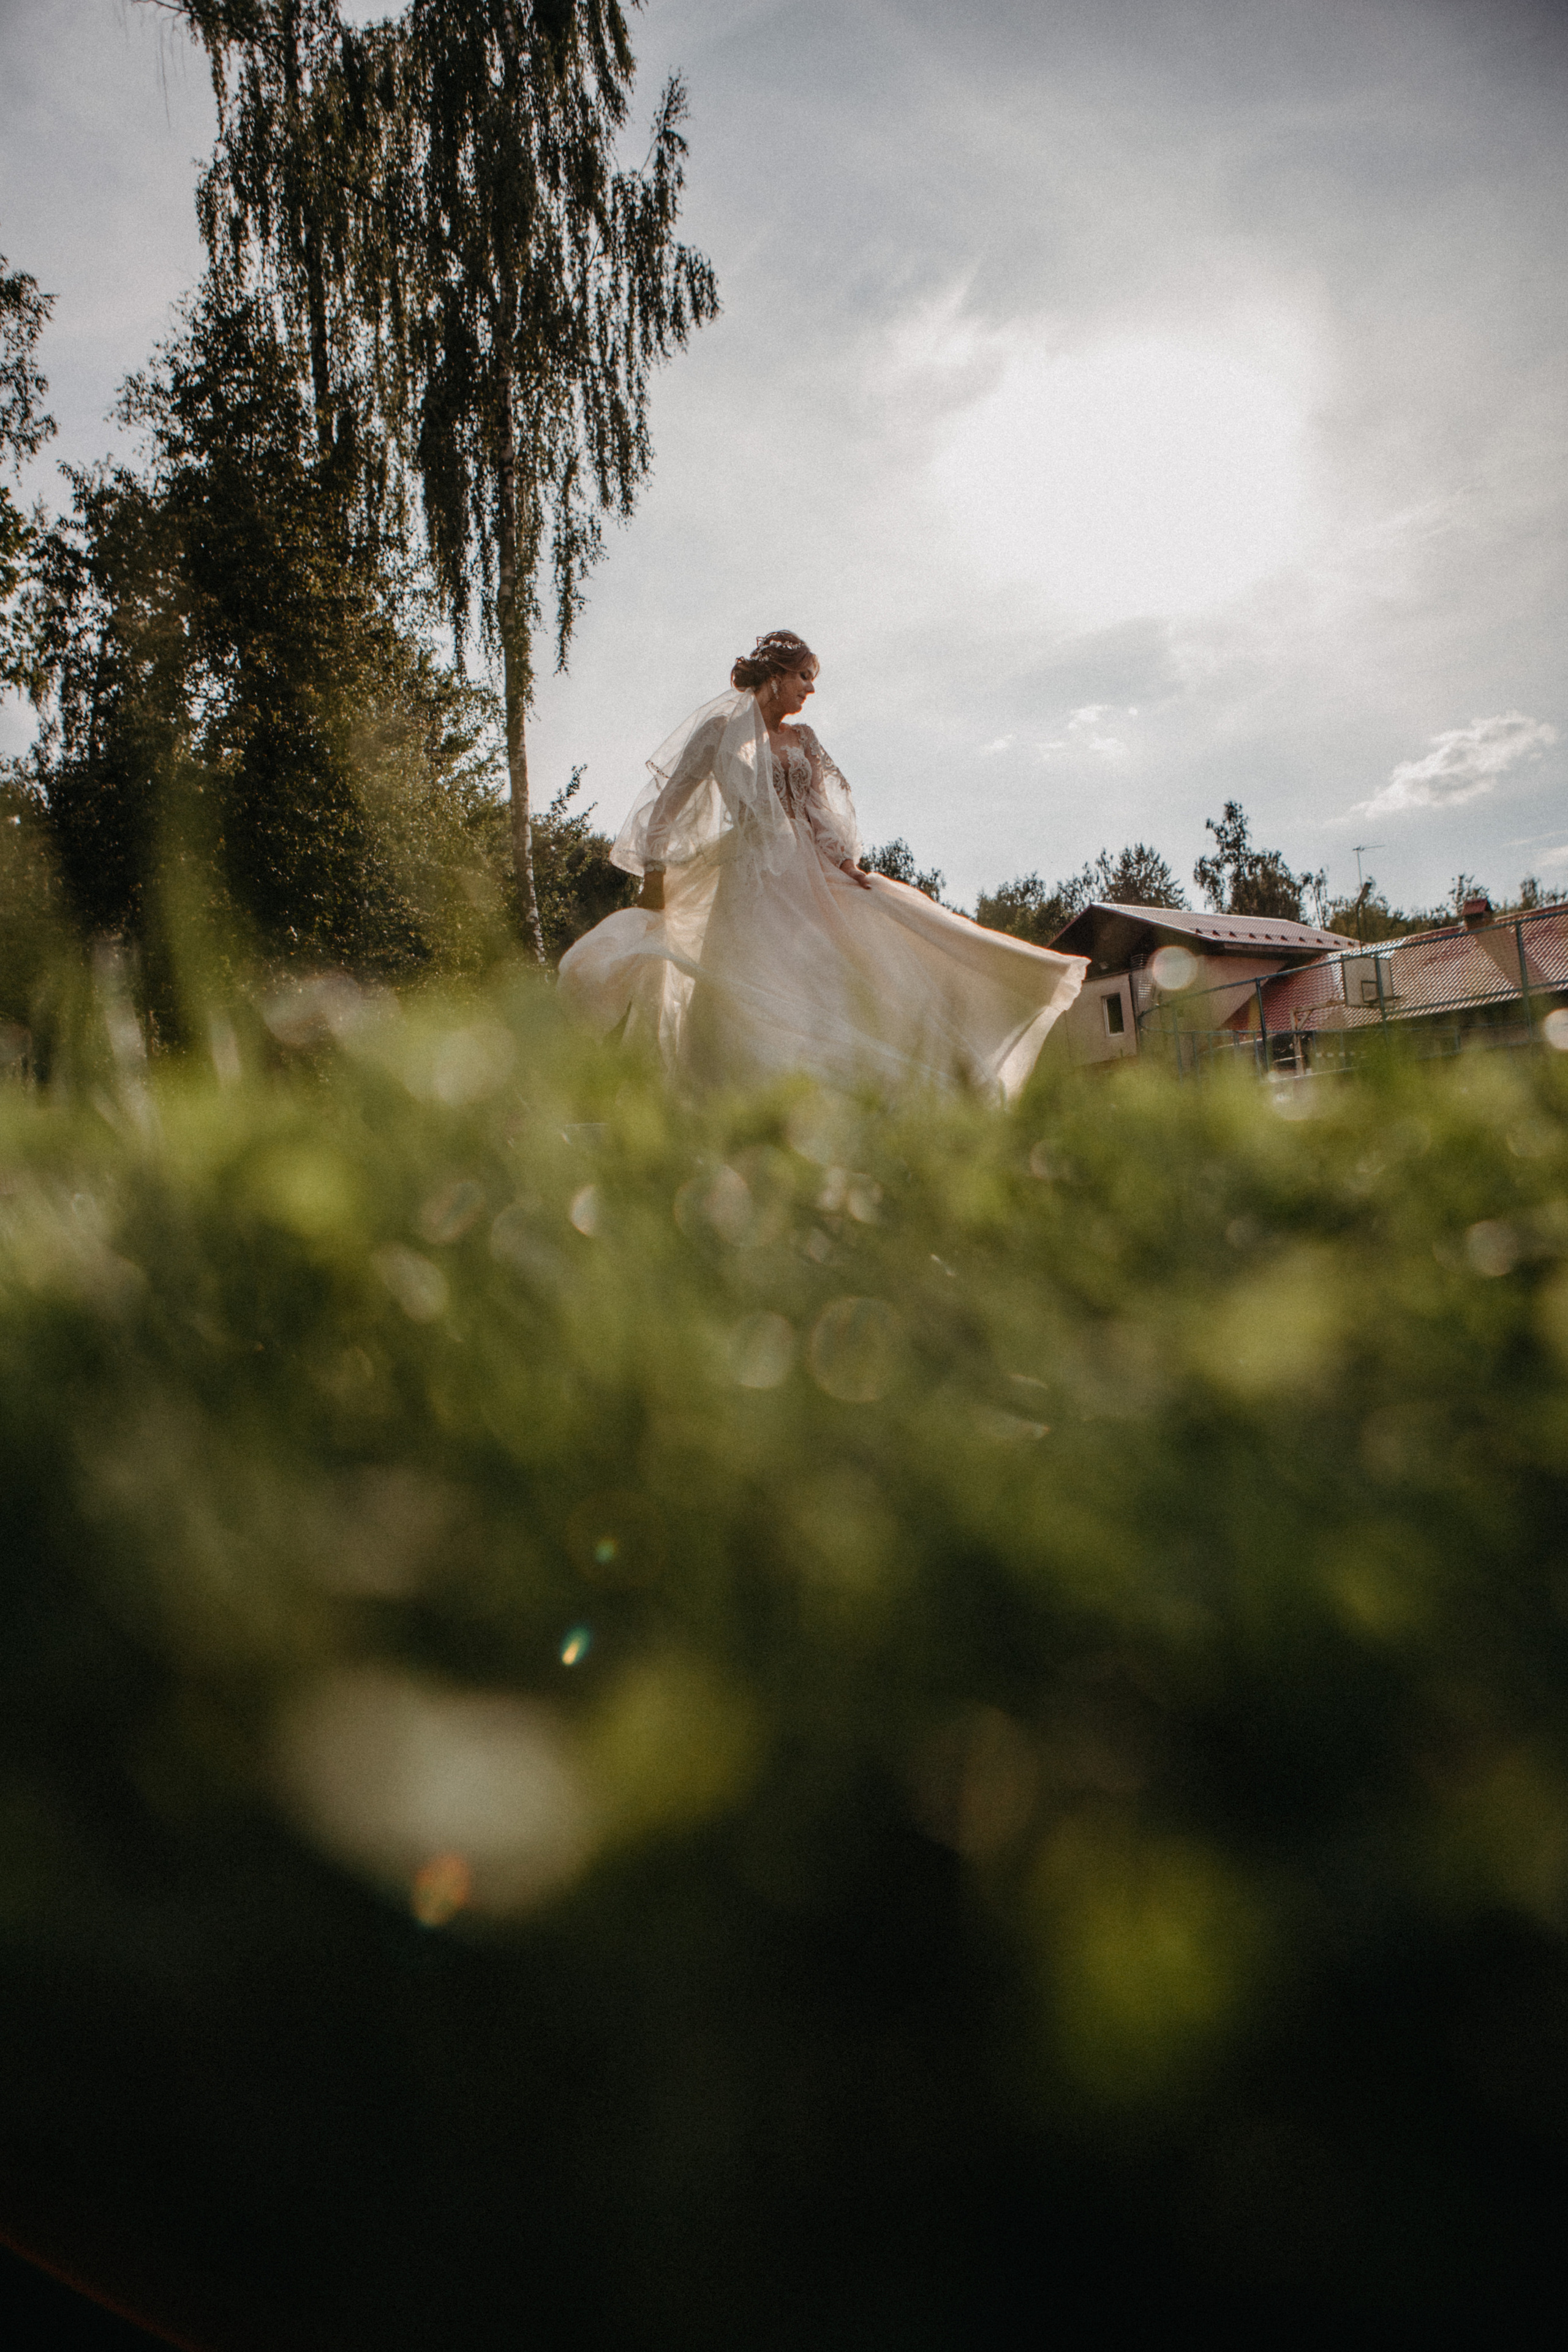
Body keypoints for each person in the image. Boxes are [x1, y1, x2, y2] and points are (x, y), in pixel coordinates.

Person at [557, 631, 1085, 1098]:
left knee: (857, 961)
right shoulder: (720, 733)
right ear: (778, 676)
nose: (811, 689)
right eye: (805, 677)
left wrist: (847, 865)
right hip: (752, 881)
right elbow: (666, 807)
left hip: (812, 874)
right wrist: (654, 872)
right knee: (760, 986)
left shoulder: (803, 740)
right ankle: (749, 1104)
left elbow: (819, 812)